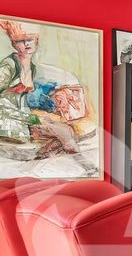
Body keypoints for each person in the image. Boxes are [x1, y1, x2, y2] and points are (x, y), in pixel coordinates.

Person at [0, 20, 96, 172]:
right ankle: (86, 165)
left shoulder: (28, 65)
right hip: (8, 121)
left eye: (30, 39)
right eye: (21, 41)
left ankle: (38, 158)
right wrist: (32, 118)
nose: (26, 44)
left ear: (36, 41)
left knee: (68, 130)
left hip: (22, 117)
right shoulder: (9, 66)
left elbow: (23, 97)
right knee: (62, 131)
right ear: (13, 44)